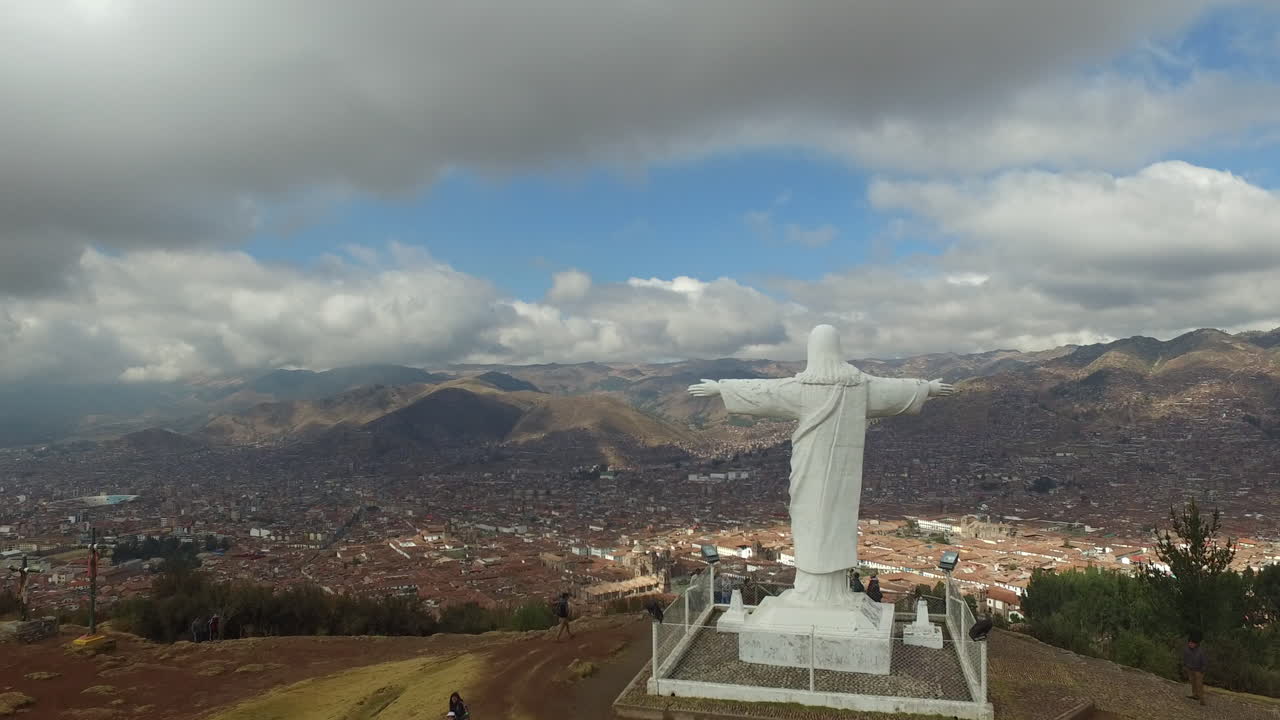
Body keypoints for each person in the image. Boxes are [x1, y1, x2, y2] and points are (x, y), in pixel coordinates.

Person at [1183, 631, 1208, 706]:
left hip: (1199, 670)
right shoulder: (1186, 649)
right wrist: (1186, 666)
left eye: (1192, 643)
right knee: (1192, 682)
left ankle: (1202, 699)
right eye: (1189, 643)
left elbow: (1204, 661)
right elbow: (1185, 658)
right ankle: (1195, 695)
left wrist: (1203, 669)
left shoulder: (1200, 651)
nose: (1190, 644)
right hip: (1190, 669)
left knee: (1199, 684)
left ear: (1196, 644)